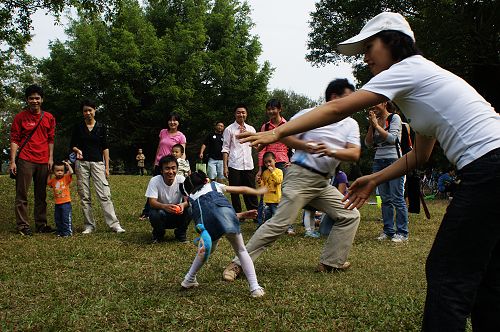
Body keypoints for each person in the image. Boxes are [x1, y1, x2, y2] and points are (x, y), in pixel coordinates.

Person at [238, 12, 500, 331]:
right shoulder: (423, 86)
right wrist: (375, 178)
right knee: (487, 275)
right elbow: (419, 155)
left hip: (490, 167)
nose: (364, 58)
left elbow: (337, 109)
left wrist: (278, 132)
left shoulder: (408, 69)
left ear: (392, 42)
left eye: (368, 47)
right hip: (492, 167)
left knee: (447, 274)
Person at [222, 78, 361, 282]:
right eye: (348, 98)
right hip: (300, 176)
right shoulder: (310, 114)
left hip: (323, 183)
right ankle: (237, 263)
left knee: (350, 215)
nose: (353, 103)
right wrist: (306, 146)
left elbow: (355, 153)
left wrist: (331, 150)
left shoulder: (351, 124)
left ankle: (332, 261)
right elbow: (283, 134)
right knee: (280, 223)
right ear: (334, 98)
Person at [181, 170, 266, 297]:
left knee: (207, 249)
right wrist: (257, 191)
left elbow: (209, 212)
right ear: (206, 180)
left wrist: (181, 205)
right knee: (242, 251)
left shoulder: (192, 198)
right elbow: (241, 189)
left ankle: (189, 279)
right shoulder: (215, 185)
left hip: (208, 225)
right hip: (228, 219)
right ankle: (255, 288)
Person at [70, 99, 125, 234]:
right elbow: (72, 145)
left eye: (90, 110)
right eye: (85, 111)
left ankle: (114, 224)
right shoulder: (78, 127)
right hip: (82, 164)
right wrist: (77, 150)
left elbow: (105, 148)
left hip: (98, 163)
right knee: (85, 196)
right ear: (82, 113)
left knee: (104, 194)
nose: (88, 113)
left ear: (95, 110)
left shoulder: (101, 127)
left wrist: (106, 167)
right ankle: (89, 225)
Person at [10, 84, 56, 236]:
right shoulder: (20, 117)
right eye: (31, 98)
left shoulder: (49, 117)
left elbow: (51, 139)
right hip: (25, 159)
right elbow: (15, 139)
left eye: (37, 98)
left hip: (43, 159)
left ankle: (41, 224)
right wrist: (12, 161)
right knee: (22, 194)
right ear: (27, 100)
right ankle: (23, 225)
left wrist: (50, 158)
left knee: (41, 194)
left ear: (42, 100)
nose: (34, 101)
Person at [365, 101, 409, 243]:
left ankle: (402, 233)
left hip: (394, 161)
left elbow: (392, 139)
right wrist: (372, 126)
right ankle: (388, 231)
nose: (373, 108)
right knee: (385, 199)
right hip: (379, 161)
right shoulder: (374, 121)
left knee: (397, 197)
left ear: (384, 103)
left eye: (375, 105)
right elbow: (368, 143)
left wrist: (377, 126)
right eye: (371, 107)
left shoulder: (394, 118)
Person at [140, 113, 187, 220]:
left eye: (175, 120)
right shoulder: (163, 132)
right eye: (170, 120)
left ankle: (177, 208)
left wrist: (180, 164)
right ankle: (146, 212)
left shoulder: (181, 136)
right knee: (154, 187)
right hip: (160, 164)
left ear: (178, 122)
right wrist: (155, 161)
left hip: (172, 165)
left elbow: (182, 152)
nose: (172, 122)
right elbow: (159, 147)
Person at [255, 99, 291, 227]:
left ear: (280, 109)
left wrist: (291, 161)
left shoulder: (286, 125)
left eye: (273, 108)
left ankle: (286, 224)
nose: (271, 111)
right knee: (265, 191)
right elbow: (262, 148)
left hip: (282, 162)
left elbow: (292, 144)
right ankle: (262, 222)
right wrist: (260, 168)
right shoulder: (265, 127)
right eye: (269, 109)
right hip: (268, 162)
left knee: (284, 193)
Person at [221, 104, 258, 214]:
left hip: (248, 164)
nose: (241, 114)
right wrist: (225, 166)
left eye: (243, 112)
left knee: (251, 190)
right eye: (238, 112)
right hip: (234, 164)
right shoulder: (229, 129)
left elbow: (256, 145)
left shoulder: (251, 129)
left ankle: (254, 212)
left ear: (246, 114)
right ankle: (238, 213)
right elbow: (225, 148)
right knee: (235, 191)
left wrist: (248, 136)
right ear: (235, 114)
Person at [145, 154, 190, 243]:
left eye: (173, 168)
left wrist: (182, 205)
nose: (170, 171)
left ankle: (180, 233)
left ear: (177, 169)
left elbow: (188, 200)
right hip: (161, 212)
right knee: (153, 213)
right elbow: (152, 202)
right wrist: (165, 207)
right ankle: (158, 234)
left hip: (177, 213)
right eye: (167, 168)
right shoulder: (155, 180)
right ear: (161, 170)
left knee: (190, 209)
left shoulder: (181, 180)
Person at [47, 161, 74, 237]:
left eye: (61, 171)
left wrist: (68, 165)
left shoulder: (66, 178)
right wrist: (49, 173)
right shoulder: (53, 180)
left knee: (66, 218)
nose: (59, 172)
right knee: (58, 218)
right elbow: (48, 182)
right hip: (57, 203)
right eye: (57, 171)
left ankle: (67, 232)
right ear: (54, 171)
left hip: (66, 203)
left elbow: (71, 172)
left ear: (64, 171)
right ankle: (60, 231)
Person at [256, 151, 283, 226]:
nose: (268, 164)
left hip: (276, 200)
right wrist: (259, 182)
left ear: (275, 160)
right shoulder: (265, 173)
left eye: (270, 161)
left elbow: (279, 181)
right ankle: (264, 228)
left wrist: (273, 172)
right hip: (267, 200)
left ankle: (283, 228)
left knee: (277, 215)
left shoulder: (279, 171)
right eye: (265, 162)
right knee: (266, 216)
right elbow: (263, 187)